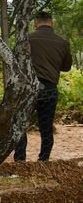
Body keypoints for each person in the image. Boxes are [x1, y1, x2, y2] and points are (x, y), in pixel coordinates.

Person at [14, 11, 72, 162]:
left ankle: (20, 161)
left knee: (21, 125)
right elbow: (66, 67)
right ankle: (43, 160)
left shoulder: (27, 39)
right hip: (49, 89)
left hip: (28, 89)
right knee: (46, 127)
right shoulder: (63, 42)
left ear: (35, 23)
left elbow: (16, 62)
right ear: (52, 23)